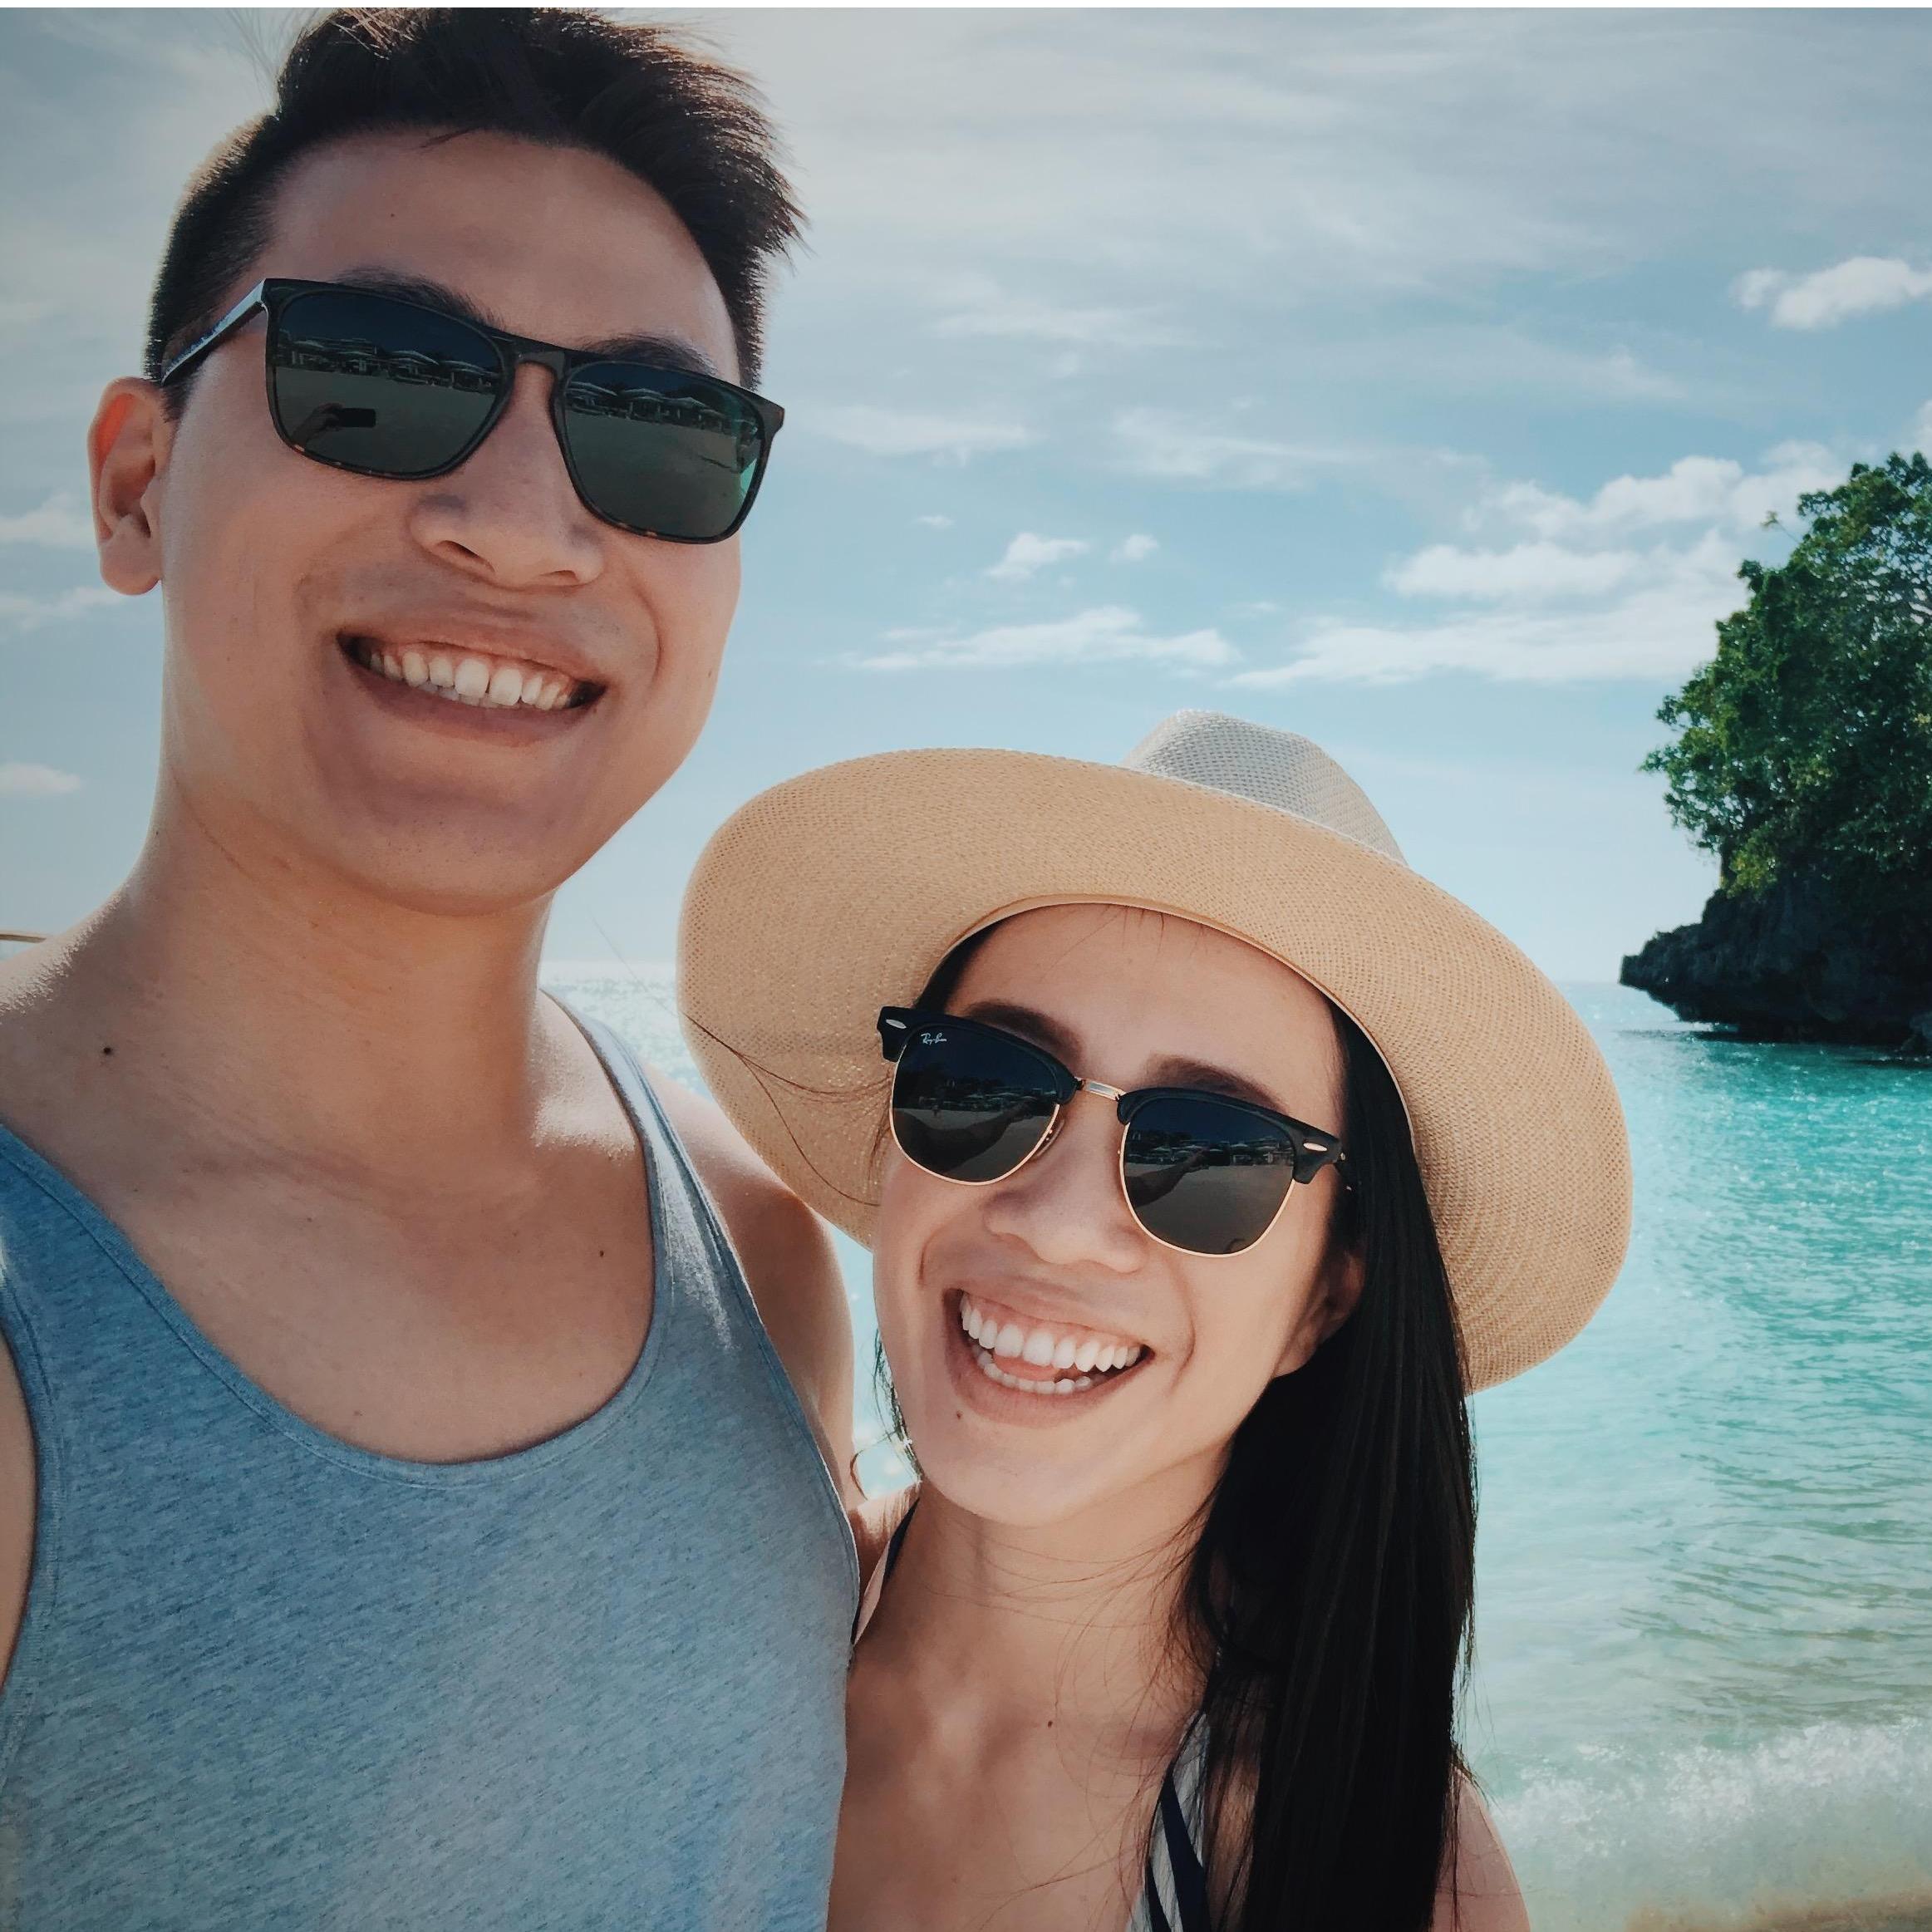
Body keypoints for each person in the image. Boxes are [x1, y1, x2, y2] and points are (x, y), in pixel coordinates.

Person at [0, 12, 858, 1924]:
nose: (523, 527)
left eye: (653, 436)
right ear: (136, 485)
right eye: (382, 380)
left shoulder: (767, 1249)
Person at [678, 710, 1634, 1930]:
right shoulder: (695, 1640)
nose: (1060, 1221)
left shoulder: (1368, 1871)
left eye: (1209, 1153)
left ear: (1324, 1298)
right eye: (986, 1083)